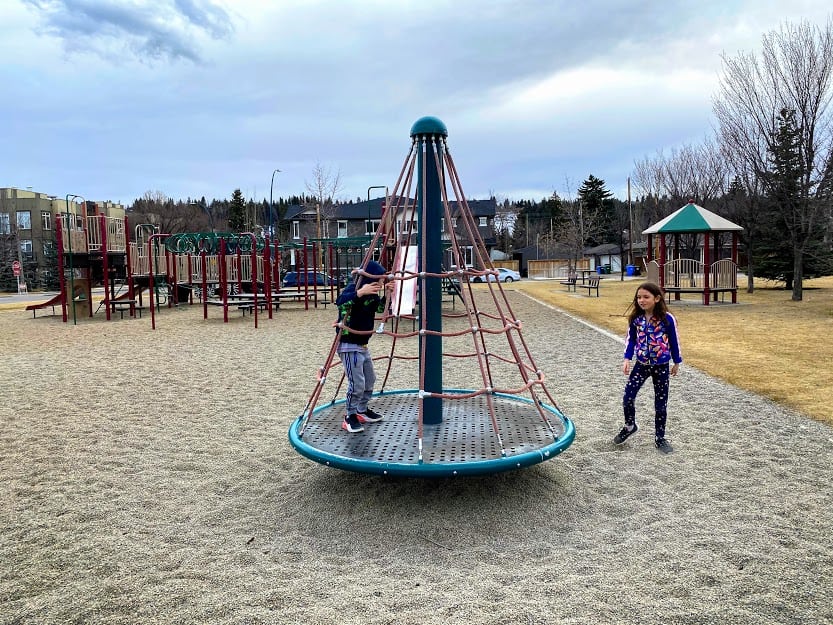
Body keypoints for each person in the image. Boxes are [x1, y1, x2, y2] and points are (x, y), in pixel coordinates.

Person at [613, 281, 682, 454]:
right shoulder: (636, 319)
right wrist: (627, 358)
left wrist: (677, 361)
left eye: (646, 297)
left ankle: (660, 438)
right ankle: (630, 426)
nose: (641, 300)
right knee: (628, 397)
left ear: (656, 298)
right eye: (639, 297)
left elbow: (674, 341)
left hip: (661, 367)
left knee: (661, 404)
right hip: (641, 365)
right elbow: (631, 340)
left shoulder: (667, 319)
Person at [335, 260, 394, 433]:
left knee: (370, 379)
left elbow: (380, 308)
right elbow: (341, 303)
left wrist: (387, 295)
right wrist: (360, 292)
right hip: (349, 344)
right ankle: (350, 415)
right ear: (369, 279)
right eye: (379, 280)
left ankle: (361, 410)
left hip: (363, 344)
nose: (381, 283)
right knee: (357, 383)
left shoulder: (372, 295)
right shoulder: (352, 289)